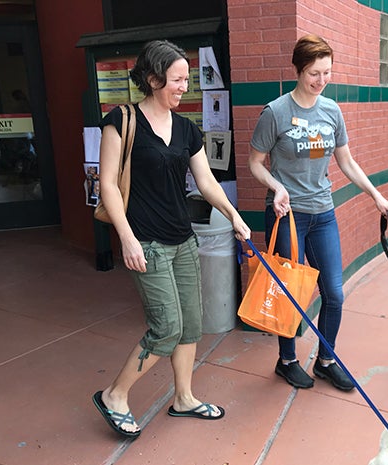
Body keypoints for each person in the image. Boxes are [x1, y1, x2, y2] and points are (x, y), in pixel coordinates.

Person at [93, 39, 251, 438]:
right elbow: (108, 186)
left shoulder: (185, 128)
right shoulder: (122, 120)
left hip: (183, 240)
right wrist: (126, 238)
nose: (185, 87)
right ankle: (115, 395)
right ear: (153, 78)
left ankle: (184, 398)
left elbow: (206, 180)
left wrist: (234, 214)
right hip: (144, 240)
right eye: (178, 79)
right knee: (166, 328)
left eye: (188, 79)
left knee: (191, 325)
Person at [248, 34, 388, 392]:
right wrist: (277, 187)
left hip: (322, 212)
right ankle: (287, 361)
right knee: (289, 292)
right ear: (298, 70)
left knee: (334, 293)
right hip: (288, 215)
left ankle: (326, 360)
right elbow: (254, 163)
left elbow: (345, 160)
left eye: (327, 72)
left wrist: (375, 195)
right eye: (314, 72)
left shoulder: (332, 111)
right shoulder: (276, 112)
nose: (321, 80)